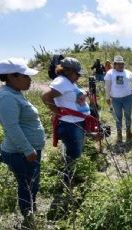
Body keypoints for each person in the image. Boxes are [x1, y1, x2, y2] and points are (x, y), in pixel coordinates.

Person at [0, 58, 45, 225]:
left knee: (31, 183)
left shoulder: (15, 94)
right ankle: (28, 218)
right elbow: (12, 127)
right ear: (12, 77)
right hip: (20, 153)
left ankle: (31, 210)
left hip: (27, 151)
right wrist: (27, 149)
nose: (30, 80)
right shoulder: (6, 97)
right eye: (26, 76)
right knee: (27, 186)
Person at [41, 57, 90, 185]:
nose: (79, 76)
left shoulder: (69, 82)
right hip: (70, 124)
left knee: (75, 152)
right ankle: (68, 182)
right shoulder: (61, 81)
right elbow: (46, 96)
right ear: (69, 71)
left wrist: (83, 93)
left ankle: (72, 176)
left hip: (76, 123)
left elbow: (69, 95)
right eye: (77, 74)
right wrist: (57, 111)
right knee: (73, 154)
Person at [104, 55, 132, 142]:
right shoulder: (110, 73)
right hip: (116, 99)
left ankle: (128, 132)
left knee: (128, 115)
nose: (121, 66)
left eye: (122, 64)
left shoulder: (128, 72)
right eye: (118, 64)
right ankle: (119, 134)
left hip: (128, 98)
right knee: (118, 117)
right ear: (114, 64)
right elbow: (107, 86)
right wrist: (107, 98)